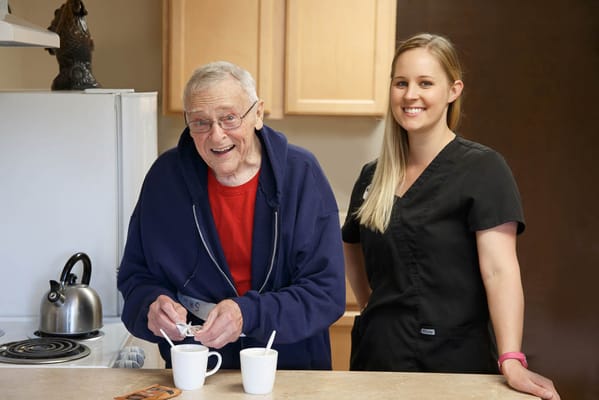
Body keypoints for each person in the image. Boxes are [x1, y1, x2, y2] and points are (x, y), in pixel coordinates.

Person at [342, 33, 560, 399]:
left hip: (454, 362)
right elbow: (352, 246)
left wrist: (511, 358)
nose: (410, 95)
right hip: (377, 359)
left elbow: (500, 271)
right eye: (401, 83)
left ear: (453, 90)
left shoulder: (483, 169)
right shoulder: (373, 175)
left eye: (425, 83)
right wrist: (374, 309)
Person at [117, 61, 345, 369]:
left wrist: (248, 315)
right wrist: (150, 306)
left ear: (258, 114)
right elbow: (135, 277)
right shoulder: (165, 180)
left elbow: (326, 294)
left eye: (229, 118)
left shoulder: (301, 175)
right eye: (200, 122)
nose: (216, 136)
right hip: (199, 365)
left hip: (291, 366)